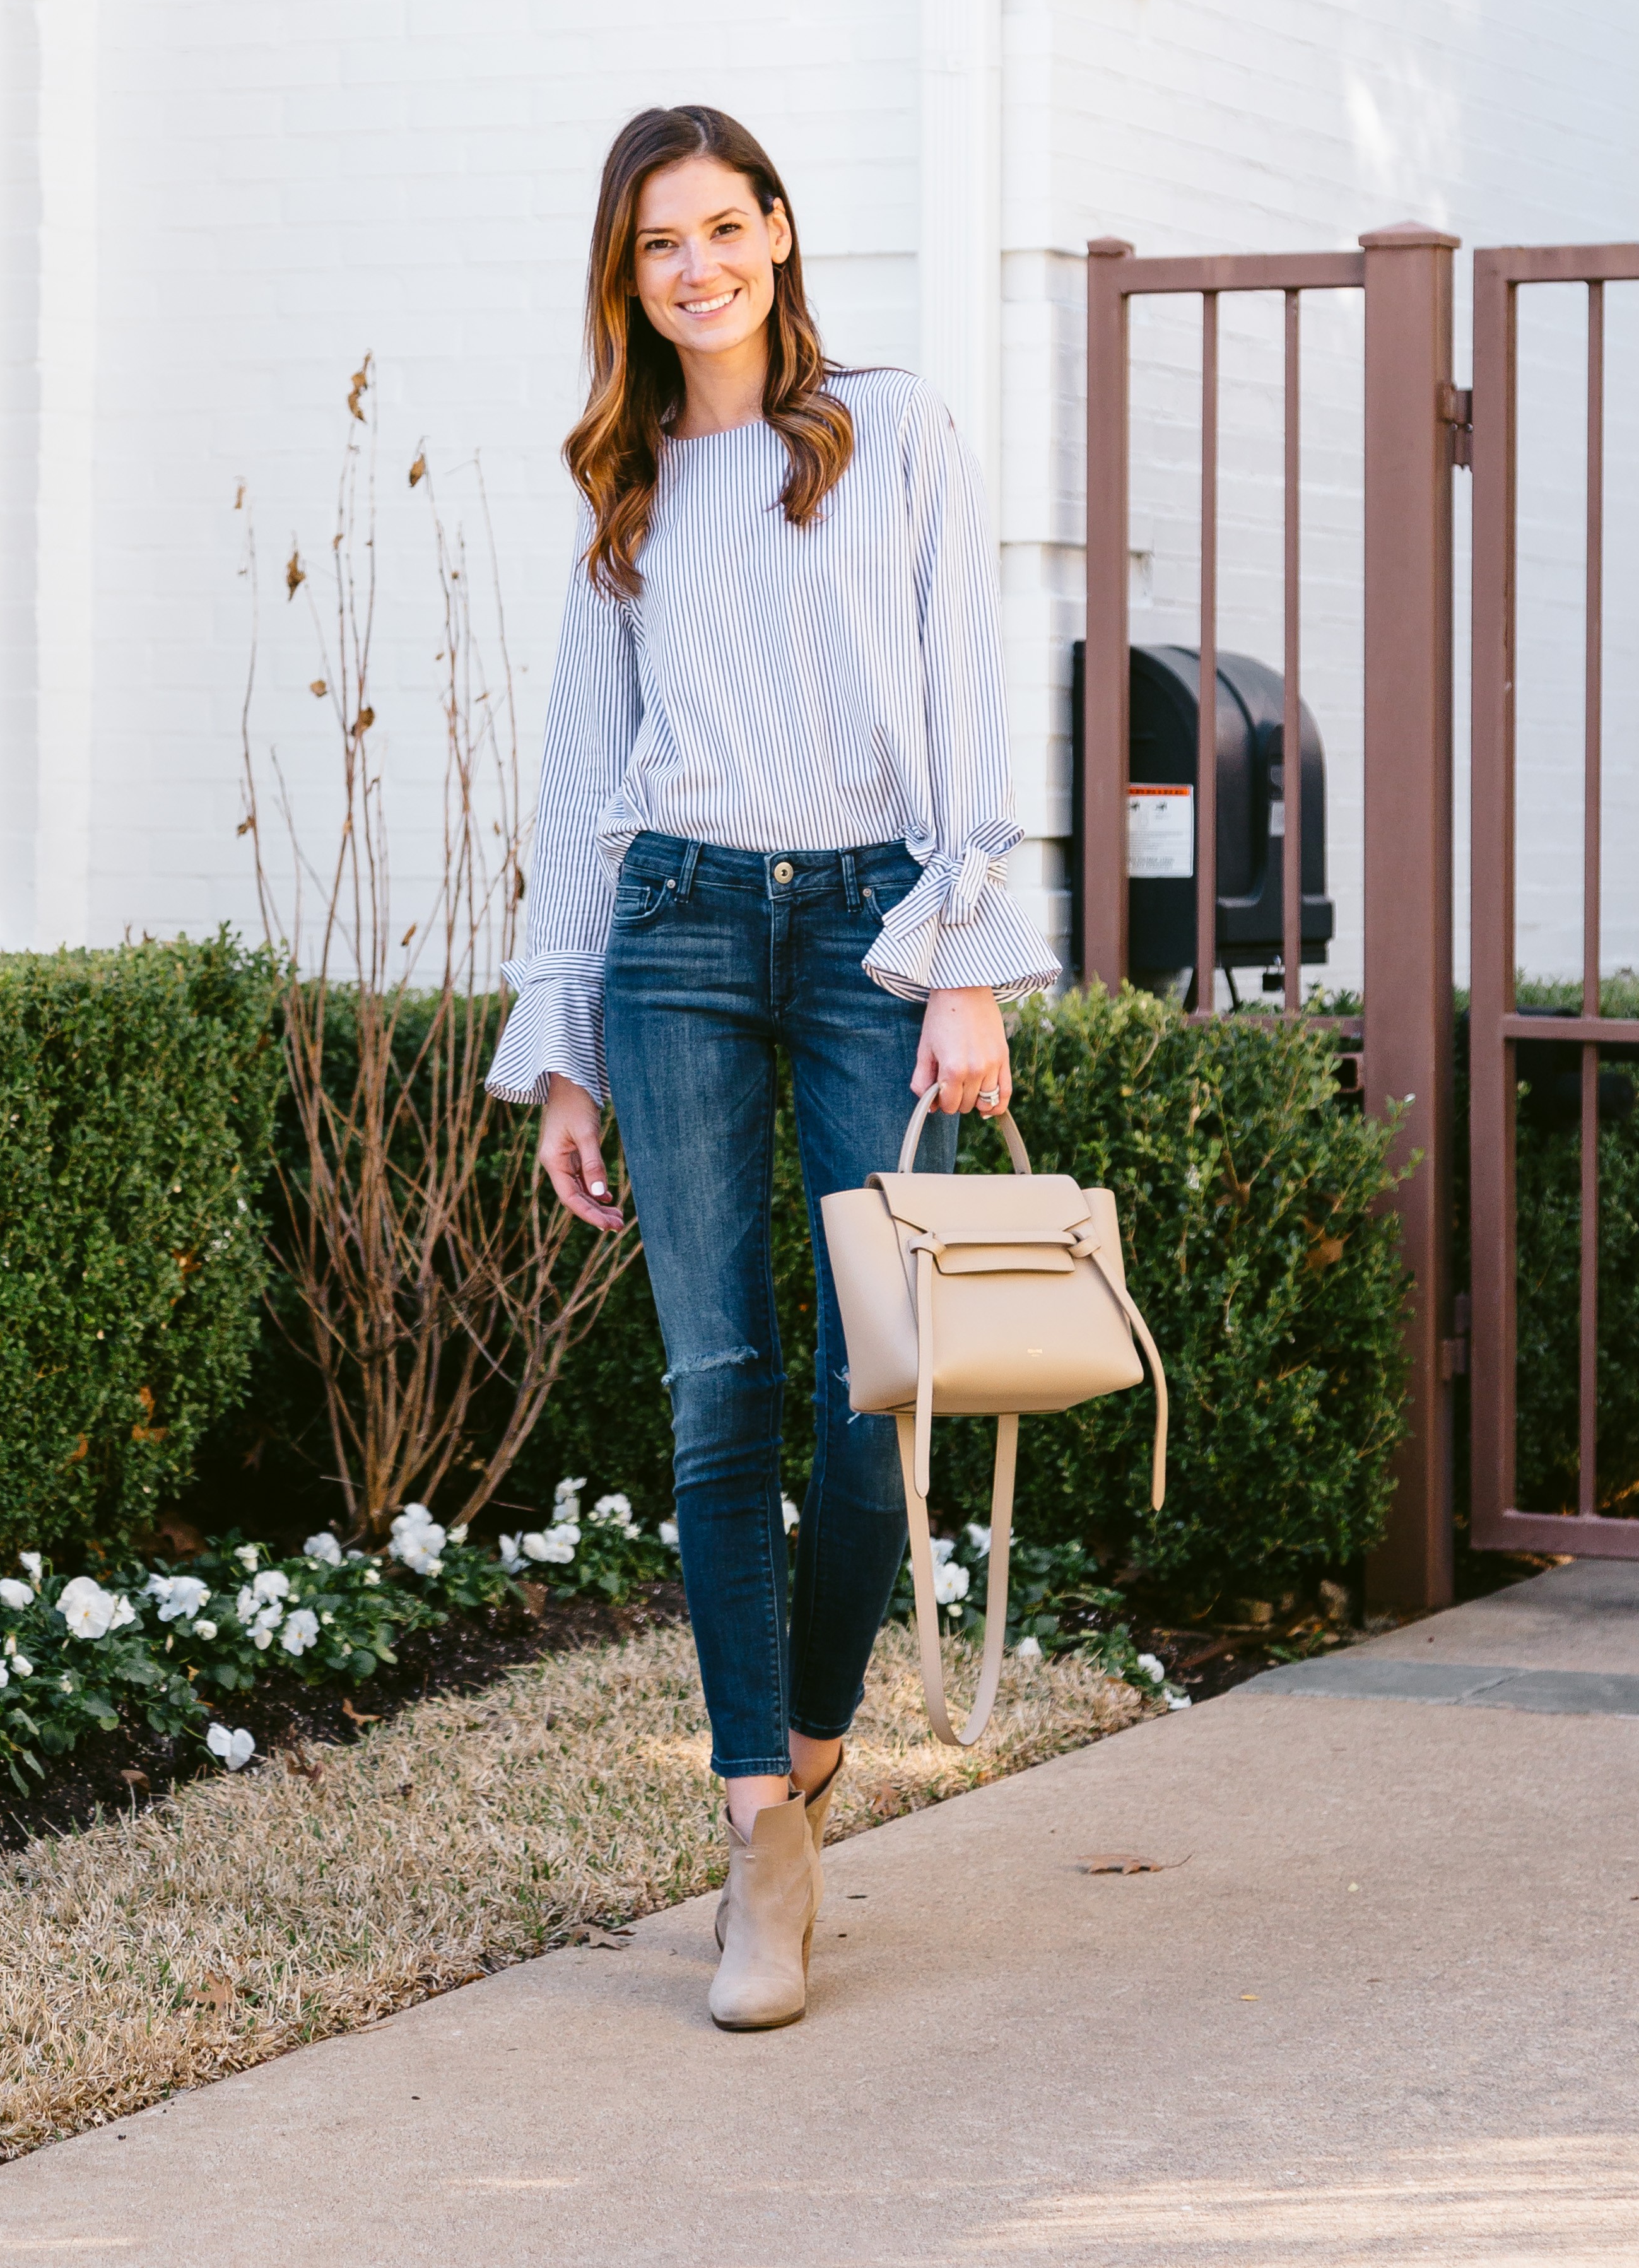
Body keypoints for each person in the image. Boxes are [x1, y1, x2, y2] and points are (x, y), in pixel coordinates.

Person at [487, 104, 1057, 2029]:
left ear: (782, 233)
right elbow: (582, 795)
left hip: (873, 933)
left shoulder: (892, 433)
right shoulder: (624, 487)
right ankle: (758, 1829)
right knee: (719, 1384)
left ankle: (812, 1752)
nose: (699, 267)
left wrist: (967, 970)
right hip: (672, 935)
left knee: (871, 1385)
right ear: (628, 275)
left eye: (725, 227)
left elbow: (972, 696)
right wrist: (562, 1055)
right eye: (661, 244)